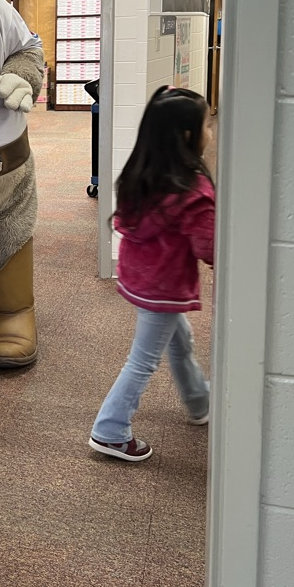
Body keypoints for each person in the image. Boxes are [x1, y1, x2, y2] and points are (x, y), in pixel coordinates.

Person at [89, 86, 214, 462]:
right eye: (207, 124)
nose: (212, 131)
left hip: (141, 280)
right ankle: (110, 430)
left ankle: (199, 400)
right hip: (164, 288)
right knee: (142, 360)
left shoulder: (143, 174)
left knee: (180, 341)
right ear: (188, 136)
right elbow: (209, 248)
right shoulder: (192, 188)